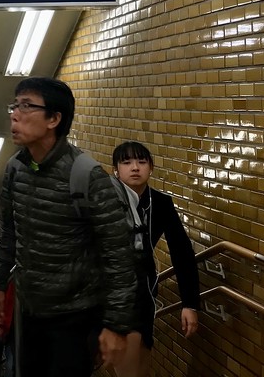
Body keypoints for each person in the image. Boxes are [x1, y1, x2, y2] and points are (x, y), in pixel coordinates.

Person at [0, 77, 139, 377]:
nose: (15, 114)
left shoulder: (87, 175)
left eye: (27, 106)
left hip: (75, 316)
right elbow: (10, 234)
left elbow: (118, 256)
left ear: (54, 119)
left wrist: (116, 325)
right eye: (15, 105)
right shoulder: (15, 169)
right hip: (30, 311)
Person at [111, 141, 200, 377]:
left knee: (141, 363)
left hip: (145, 293)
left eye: (141, 161)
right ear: (115, 170)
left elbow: (182, 252)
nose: (135, 168)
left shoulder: (160, 203)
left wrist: (189, 303)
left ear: (151, 167)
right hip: (112, 296)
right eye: (127, 162)